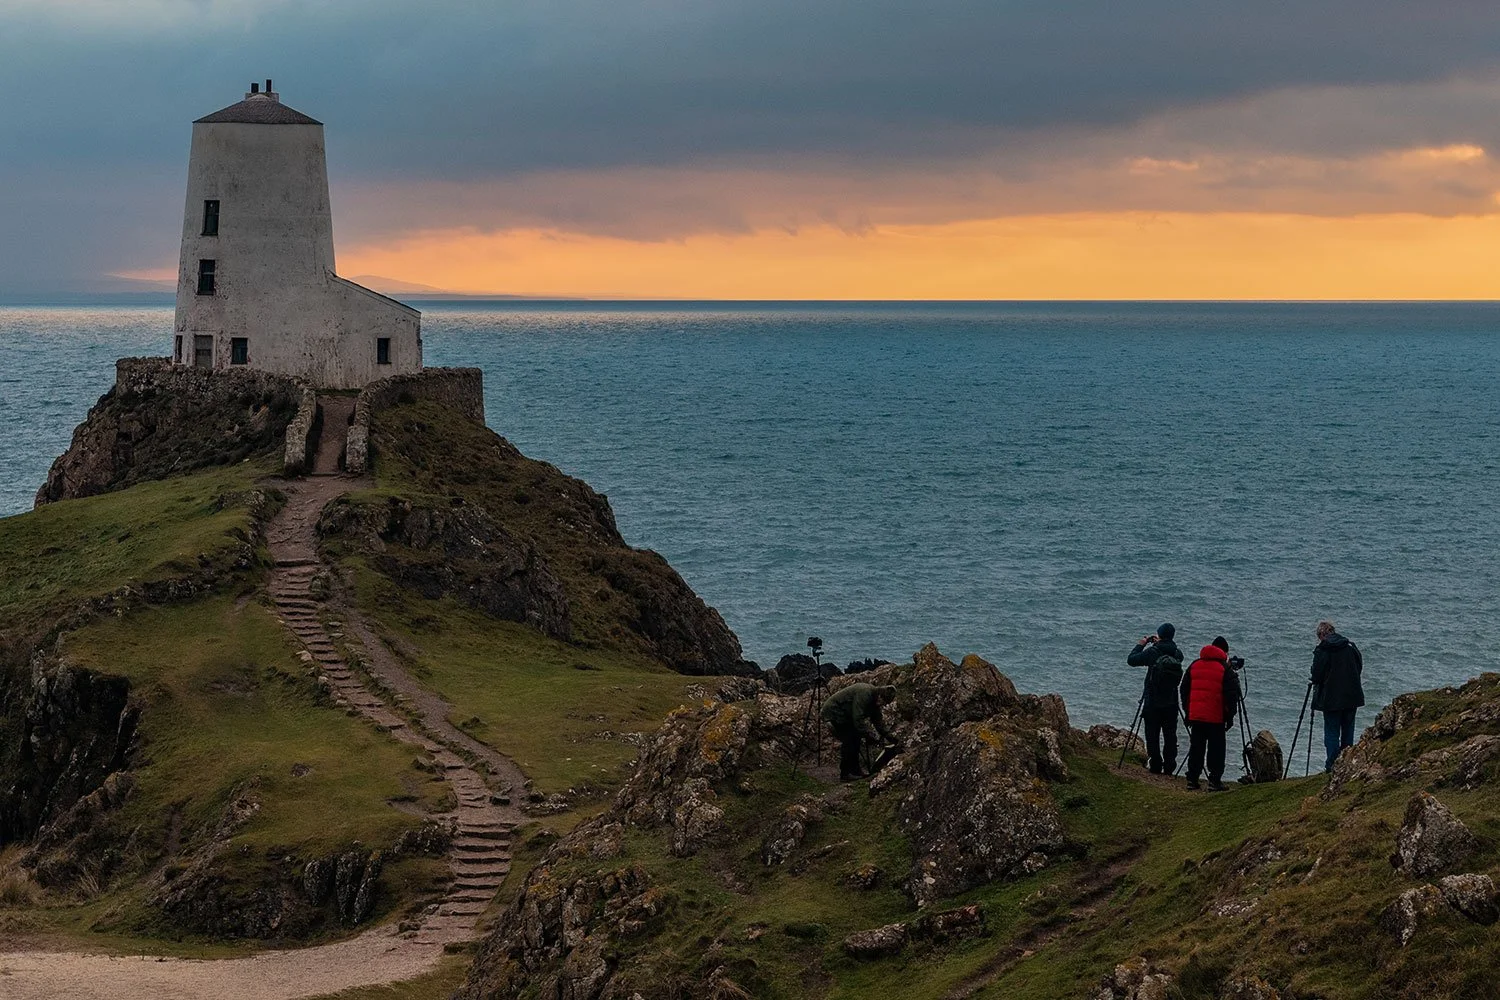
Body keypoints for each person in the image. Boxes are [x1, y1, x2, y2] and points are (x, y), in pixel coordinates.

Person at [1179, 636, 1242, 791]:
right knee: (1216, 749)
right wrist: (1229, 716)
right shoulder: (1225, 669)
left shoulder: (1195, 665)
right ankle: (1214, 781)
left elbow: (1184, 689)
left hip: (1196, 715)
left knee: (1196, 748)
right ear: (1225, 652)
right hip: (1216, 716)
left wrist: (1188, 710)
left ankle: (1192, 780)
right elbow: (1231, 695)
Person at [1126, 623, 1184, 774]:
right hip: (1171, 701)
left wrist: (1141, 644)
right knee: (1170, 735)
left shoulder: (1153, 652)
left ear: (1160, 635)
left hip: (1152, 700)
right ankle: (1170, 766)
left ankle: (1156, 764)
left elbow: (1131, 660)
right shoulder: (1177, 653)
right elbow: (1178, 656)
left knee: (1152, 734)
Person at [1311, 620, 1364, 773]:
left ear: (1321, 635)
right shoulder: (1350, 646)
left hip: (1331, 699)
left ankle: (1332, 765)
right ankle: (1346, 763)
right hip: (1352, 696)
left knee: (1332, 732)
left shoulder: (1323, 649)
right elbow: (1359, 666)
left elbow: (1317, 675)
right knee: (1348, 730)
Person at [820, 682, 898, 781]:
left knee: (856, 738)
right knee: (850, 739)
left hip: (846, 715)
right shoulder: (865, 694)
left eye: (885, 703)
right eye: (883, 701)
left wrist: (890, 737)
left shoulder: (874, 701)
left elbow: (878, 722)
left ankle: (855, 771)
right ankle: (846, 773)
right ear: (879, 695)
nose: (882, 704)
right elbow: (858, 718)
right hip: (834, 712)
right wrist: (868, 734)